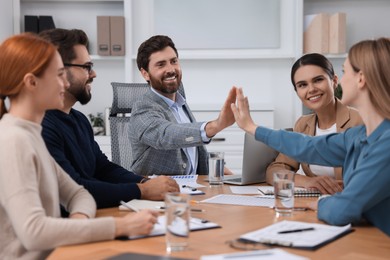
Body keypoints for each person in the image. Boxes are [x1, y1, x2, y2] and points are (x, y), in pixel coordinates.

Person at [0, 33, 158, 259]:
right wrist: (120, 227)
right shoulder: (13, 140)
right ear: (31, 82)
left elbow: (79, 194)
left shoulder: (30, 135)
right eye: (58, 75)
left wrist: (79, 225)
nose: (64, 83)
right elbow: (34, 233)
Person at [231, 38, 390, 236]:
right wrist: (252, 128)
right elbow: (308, 146)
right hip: (366, 235)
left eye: (344, 71)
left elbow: (343, 210)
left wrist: (322, 202)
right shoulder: (359, 136)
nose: (342, 78)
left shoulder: (385, 143)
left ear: (361, 79)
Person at [39, 29, 179, 209]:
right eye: (87, 67)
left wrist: (145, 182)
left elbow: (103, 168)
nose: (94, 74)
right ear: (60, 71)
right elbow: (75, 189)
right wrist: (141, 190)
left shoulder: (79, 119)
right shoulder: (42, 127)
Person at [128, 35, 236, 176]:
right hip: (157, 193)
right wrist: (215, 125)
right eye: (161, 64)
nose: (171, 69)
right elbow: (166, 135)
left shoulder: (180, 103)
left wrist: (233, 177)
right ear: (145, 74)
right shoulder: (142, 109)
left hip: (194, 189)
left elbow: (195, 152)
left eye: (174, 61)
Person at [266, 53, 363, 194]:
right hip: (315, 204)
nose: (311, 89)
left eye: (318, 80)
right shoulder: (303, 124)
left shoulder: (359, 120)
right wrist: (308, 181)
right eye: (302, 85)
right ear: (297, 91)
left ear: (334, 81)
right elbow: (274, 171)